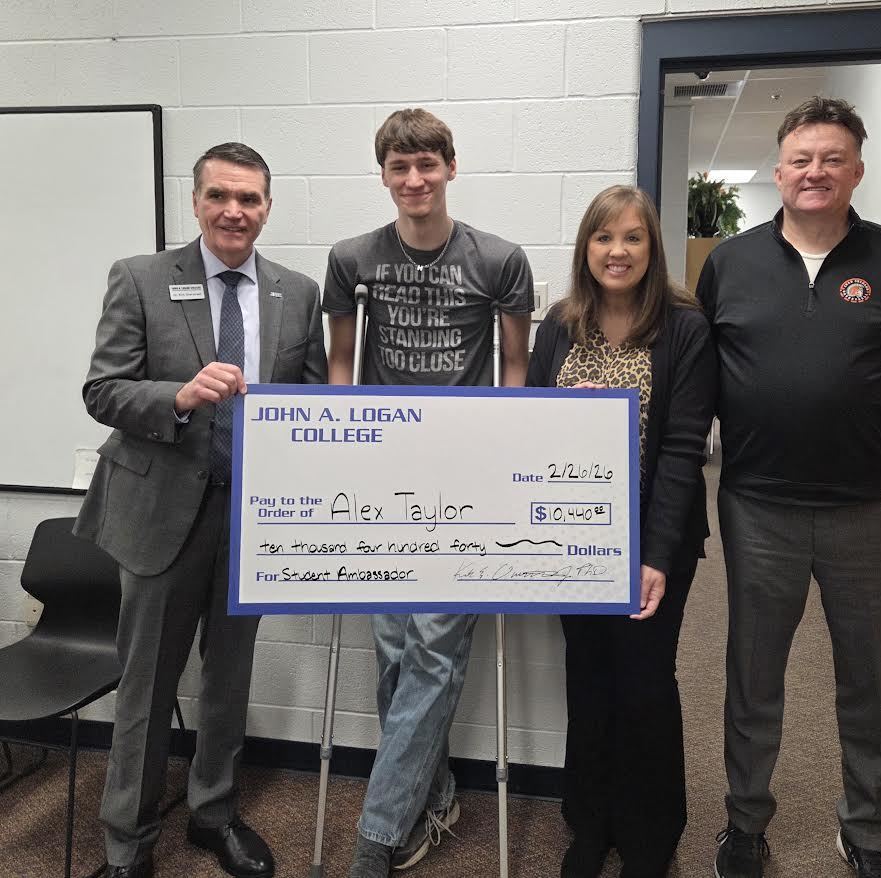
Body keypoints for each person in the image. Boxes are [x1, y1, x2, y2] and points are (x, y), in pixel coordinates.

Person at [699, 97, 881, 878]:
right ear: (777, 171)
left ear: (855, 170)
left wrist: (854, 431)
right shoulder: (730, 263)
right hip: (756, 505)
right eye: (801, 159)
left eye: (831, 159)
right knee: (752, 674)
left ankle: (867, 834)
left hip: (868, 509)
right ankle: (744, 824)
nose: (814, 172)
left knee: (869, 680)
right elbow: (704, 376)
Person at [75, 142, 328, 878]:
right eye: (219, 195)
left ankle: (213, 813)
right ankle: (128, 843)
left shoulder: (296, 292)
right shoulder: (142, 278)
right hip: (160, 521)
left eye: (249, 199)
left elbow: (309, 406)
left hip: (252, 524)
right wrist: (177, 397)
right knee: (147, 688)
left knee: (228, 683)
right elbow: (103, 391)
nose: (233, 211)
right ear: (195, 202)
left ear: (267, 209)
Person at [322, 108, 534, 877]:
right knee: (393, 653)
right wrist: (343, 451)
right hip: (383, 478)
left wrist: (499, 459)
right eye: (399, 167)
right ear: (383, 174)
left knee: (436, 650)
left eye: (427, 165)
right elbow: (341, 360)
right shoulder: (351, 258)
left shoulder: (500, 259)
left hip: (463, 479)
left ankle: (377, 833)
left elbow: (515, 366)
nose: (414, 180)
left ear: (450, 167)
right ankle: (435, 791)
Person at [527, 185, 717, 878]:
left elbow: (681, 449)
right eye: (604, 238)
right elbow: (528, 432)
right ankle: (590, 823)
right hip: (570, 541)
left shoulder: (685, 329)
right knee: (588, 677)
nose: (617, 251)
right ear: (586, 248)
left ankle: (650, 834)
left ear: (650, 247)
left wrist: (656, 554)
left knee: (642, 682)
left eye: (632, 238)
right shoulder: (558, 325)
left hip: (649, 538)